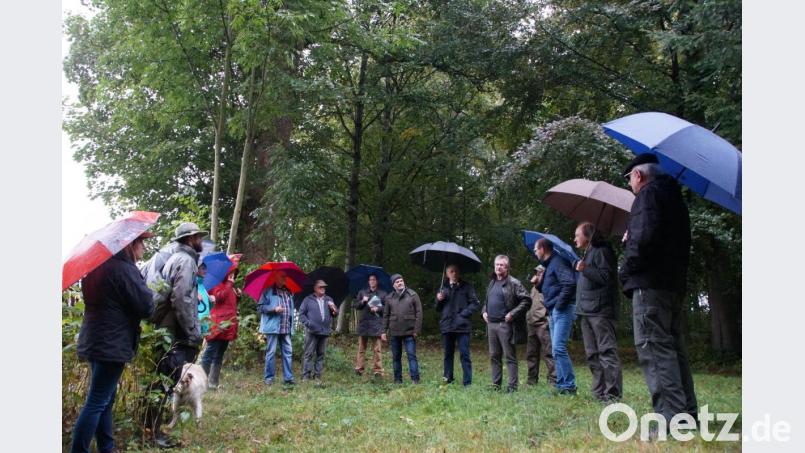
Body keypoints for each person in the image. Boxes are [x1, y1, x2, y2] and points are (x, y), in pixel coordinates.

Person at [619, 153, 697, 427]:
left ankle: (672, 419)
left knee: (654, 348)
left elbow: (643, 242)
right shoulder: (675, 199)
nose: (630, 185)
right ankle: (687, 414)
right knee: (674, 349)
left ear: (638, 175)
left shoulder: (647, 196)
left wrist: (625, 270)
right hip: (672, 285)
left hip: (650, 286)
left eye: (629, 179)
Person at [70, 232, 155, 453]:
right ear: (130, 244)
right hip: (111, 344)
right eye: (141, 242)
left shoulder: (95, 268)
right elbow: (146, 307)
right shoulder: (125, 269)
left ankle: (107, 448)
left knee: (104, 399)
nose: (144, 248)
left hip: (96, 340)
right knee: (97, 400)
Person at [146, 222, 206, 448]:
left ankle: (152, 429)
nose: (201, 240)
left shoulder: (176, 258)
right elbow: (182, 300)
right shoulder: (186, 261)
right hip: (175, 332)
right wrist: (192, 332)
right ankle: (153, 433)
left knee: (162, 380)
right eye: (199, 237)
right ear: (190, 239)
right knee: (165, 381)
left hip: (168, 329)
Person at [574, 222, 623, 402]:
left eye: (577, 235)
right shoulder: (589, 252)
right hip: (587, 311)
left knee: (607, 352)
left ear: (588, 235)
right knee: (592, 354)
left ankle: (613, 394)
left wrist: (585, 269)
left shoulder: (603, 251)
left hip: (601, 311)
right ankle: (599, 392)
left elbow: (606, 277)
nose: (574, 239)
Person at [482, 255, 530, 392]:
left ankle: (512, 387)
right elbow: (487, 301)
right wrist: (484, 311)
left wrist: (513, 314)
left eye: (502, 265)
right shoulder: (492, 282)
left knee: (510, 356)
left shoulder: (514, 283)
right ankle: (496, 384)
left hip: (505, 325)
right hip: (491, 325)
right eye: (497, 264)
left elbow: (526, 300)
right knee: (494, 356)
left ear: (507, 267)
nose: (498, 267)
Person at [535, 238, 578, 395]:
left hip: (562, 309)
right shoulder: (549, 265)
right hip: (554, 310)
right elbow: (552, 287)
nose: (535, 252)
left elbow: (570, 283)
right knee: (555, 349)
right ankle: (562, 385)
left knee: (559, 348)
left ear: (543, 249)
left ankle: (569, 385)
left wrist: (559, 306)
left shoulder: (558, 262)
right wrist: (539, 283)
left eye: (535, 249)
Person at [435, 264, 480, 386]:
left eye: (456, 271)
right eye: (451, 271)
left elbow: (475, 304)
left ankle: (467, 383)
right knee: (447, 355)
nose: (454, 273)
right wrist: (439, 299)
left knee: (465, 355)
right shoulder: (442, 288)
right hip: (447, 326)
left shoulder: (467, 287)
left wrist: (463, 314)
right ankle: (448, 379)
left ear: (459, 273)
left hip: (462, 326)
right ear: (447, 274)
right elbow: (437, 308)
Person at [201, 263, 241, 390]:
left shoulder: (231, 287)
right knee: (210, 352)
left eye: (234, 273)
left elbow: (229, 304)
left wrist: (237, 296)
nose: (232, 275)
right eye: (231, 272)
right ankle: (201, 383)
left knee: (220, 354)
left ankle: (213, 383)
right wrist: (229, 284)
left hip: (228, 325)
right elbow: (219, 298)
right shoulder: (217, 284)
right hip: (218, 324)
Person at [382, 274, 422, 384]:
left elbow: (419, 313)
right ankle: (398, 380)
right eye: (397, 282)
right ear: (393, 285)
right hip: (394, 332)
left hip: (410, 331)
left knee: (411, 355)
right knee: (396, 357)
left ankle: (415, 379)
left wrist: (416, 330)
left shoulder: (413, 295)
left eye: (401, 280)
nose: (400, 283)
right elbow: (386, 315)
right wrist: (383, 331)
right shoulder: (389, 298)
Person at [257, 271, 296, 386]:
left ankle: (288, 378)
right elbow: (260, 308)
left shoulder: (288, 291)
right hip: (273, 327)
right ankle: (269, 378)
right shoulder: (268, 291)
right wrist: (273, 309)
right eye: (283, 277)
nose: (285, 279)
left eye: (286, 277)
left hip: (286, 327)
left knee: (288, 352)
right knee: (271, 352)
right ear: (276, 277)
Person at [298, 280, 339, 383]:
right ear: (315, 288)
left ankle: (317, 376)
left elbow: (335, 314)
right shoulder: (308, 299)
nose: (323, 289)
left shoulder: (329, 299)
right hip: (312, 331)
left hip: (324, 331)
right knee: (309, 354)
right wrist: (308, 323)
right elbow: (301, 314)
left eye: (324, 287)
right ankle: (306, 376)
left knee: (321, 354)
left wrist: (334, 309)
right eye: (321, 287)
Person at [525, 265, 556, 386]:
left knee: (549, 353)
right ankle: (531, 381)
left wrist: (548, 319)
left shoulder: (549, 286)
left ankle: (553, 380)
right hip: (531, 325)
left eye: (540, 273)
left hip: (543, 324)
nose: (538, 275)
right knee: (531, 354)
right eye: (537, 273)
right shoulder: (533, 288)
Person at [353, 274, 387, 378]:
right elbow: (356, 306)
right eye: (370, 280)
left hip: (376, 324)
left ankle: (378, 371)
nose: (372, 281)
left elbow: (387, 308)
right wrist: (363, 301)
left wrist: (378, 309)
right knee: (361, 348)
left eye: (374, 279)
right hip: (364, 323)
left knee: (377, 349)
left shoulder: (383, 293)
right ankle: (359, 369)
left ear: (377, 281)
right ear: (368, 281)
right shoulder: (362, 292)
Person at [196, 262, 214, 338]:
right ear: (196, 269)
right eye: (203, 268)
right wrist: (194, 295)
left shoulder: (203, 285)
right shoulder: (191, 284)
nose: (205, 271)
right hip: (196, 325)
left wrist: (211, 301)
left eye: (206, 268)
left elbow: (207, 308)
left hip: (205, 325)